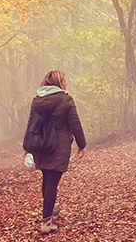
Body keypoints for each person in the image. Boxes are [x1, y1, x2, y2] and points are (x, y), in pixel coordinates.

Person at [24, 70, 86, 234]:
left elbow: (31, 124)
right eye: (64, 80)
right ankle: (46, 222)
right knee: (52, 181)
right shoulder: (66, 100)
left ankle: (49, 209)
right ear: (59, 83)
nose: (66, 83)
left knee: (47, 177)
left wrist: (27, 147)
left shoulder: (37, 101)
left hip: (41, 145)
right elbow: (75, 124)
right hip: (58, 147)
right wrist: (82, 144)